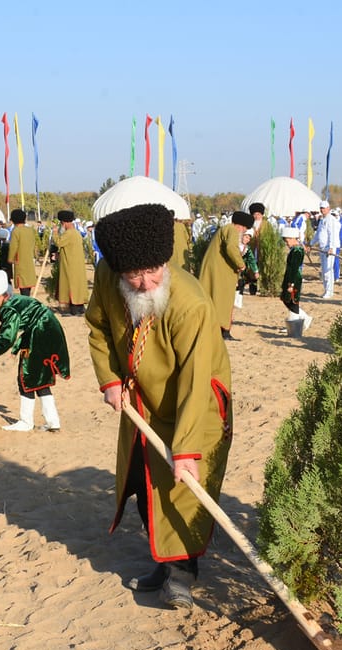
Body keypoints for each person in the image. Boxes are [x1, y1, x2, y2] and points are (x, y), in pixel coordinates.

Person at [85, 203, 232, 610]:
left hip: (195, 406)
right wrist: (110, 378)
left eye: (153, 271)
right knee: (144, 483)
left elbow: (195, 381)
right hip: (142, 403)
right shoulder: (108, 276)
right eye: (134, 275)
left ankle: (182, 576)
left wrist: (186, 449)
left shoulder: (190, 305)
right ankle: (164, 565)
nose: (146, 283)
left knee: (182, 490)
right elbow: (98, 325)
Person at [0, 269, 70, 432]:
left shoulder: (9, 309)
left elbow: (7, 339)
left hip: (40, 336)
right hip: (46, 332)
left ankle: (26, 421)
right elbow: (6, 332)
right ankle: (53, 422)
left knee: (26, 376)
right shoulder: (13, 302)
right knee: (40, 379)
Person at [198, 209, 249, 340]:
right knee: (223, 301)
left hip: (216, 270)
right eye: (245, 228)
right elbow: (231, 248)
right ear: (242, 225)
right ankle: (224, 331)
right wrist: (241, 264)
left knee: (215, 300)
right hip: (221, 272)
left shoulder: (225, 229)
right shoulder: (232, 230)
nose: (244, 232)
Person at [53, 209, 89, 315]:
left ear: (64, 222)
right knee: (78, 286)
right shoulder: (76, 233)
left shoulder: (69, 233)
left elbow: (59, 242)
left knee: (71, 286)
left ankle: (74, 309)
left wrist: (55, 233)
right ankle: (80, 307)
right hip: (76, 264)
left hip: (70, 265)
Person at [280, 225, 311, 331]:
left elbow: (294, 268)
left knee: (292, 301)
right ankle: (302, 319)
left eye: (287, 240)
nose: (287, 243)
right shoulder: (295, 249)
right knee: (287, 299)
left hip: (294, 278)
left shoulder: (297, 251)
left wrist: (291, 284)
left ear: (293, 238)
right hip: (290, 277)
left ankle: (295, 324)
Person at [3, 209, 37, 295]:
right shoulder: (30, 230)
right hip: (29, 261)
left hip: (20, 262)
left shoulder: (16, 231)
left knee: (23, 286)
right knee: (28, 285)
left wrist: (10, 259)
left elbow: (13, 247)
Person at [314, 199, 342, 298]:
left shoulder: (331, 220)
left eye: (324, 208)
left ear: (328, 208)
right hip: (322, 248)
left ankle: (329, 292)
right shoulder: (322, 220)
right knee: (324, 271)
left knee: (328, 271)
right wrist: (311, 243)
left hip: (329, 249)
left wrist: (331, 247)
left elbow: (332, 235)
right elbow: (318, 234)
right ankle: (326, 290)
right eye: (321, 208)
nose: (322, 210)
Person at [236, 227, 259, 298]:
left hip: (241, 272)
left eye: (249, 239)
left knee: (240, 287)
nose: (247, 240)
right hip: (230, 271)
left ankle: (239, 299)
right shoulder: (234, 245)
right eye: (246, 237)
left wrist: (255, 271)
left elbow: (251, 260)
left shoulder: (247, 249)